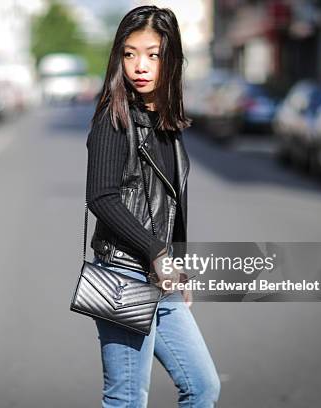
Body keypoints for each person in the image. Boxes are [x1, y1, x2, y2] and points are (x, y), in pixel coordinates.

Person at [85, 5, 221, 407]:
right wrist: (157, 253)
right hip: (124, 277)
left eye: (152, 54)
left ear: (171, 58)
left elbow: (169, 206)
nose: (139, 66)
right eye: (129, 54)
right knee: (127, 399)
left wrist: (178, 265)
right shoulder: (115, 117)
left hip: (162, 278)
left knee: (203, 387)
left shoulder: (164, 121)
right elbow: (102, 197)